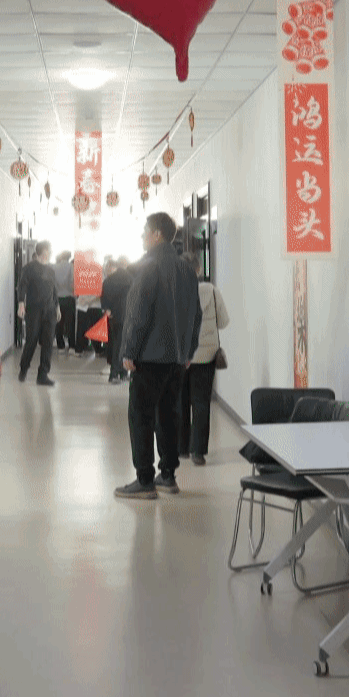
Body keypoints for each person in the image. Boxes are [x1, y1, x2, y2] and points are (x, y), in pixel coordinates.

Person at [114, 213, 202, 501]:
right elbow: (196, 315)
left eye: (144, 231)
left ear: (156, 235)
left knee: (141, 416)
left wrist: (129, 350)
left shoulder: (148, 266)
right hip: (176, 359)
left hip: (149, 357)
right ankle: (168, 475)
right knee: (169, 415)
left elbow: (138, 313)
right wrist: (188, 351)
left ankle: (144, 480)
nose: (142, 237)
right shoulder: (186, 269)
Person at [178, 256, 230, 465]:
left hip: (181, 357)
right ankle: (198, 452)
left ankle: (182, 448)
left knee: (181, 402)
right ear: (199, 269)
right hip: (206, 356)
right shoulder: (212, 291)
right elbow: (223, 322)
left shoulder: (174, 291)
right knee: (201, 403)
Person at [16, 241, 58, 387]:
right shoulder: (29, 268)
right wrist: (21, 304)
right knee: (32, 340)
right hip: (34, 310)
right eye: (49, 250)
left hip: (50, 310)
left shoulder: (51, 270)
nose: (50, 253)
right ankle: (23, 368)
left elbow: (54, 290)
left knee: (48, 342)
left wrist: (57, 307)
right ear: (43, 251)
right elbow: (22, 286)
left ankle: (43, 375)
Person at [100, 255, 133, 384]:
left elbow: (104, 295)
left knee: (116, 344)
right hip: (127, 316)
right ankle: (115, 374)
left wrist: (107, 308)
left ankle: (121, 373)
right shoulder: (130, 278)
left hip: (114, 316)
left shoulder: (108, 280)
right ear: (125, 264)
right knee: (122, 346)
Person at [53, 250, 76, 350]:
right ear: (69, 257)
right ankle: (71, 345)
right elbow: (72, 282)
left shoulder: (54, 267)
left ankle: (60, 345)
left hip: (57, 298)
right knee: (70, 323)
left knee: (58, 322)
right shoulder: (71, 267)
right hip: (69, 298)